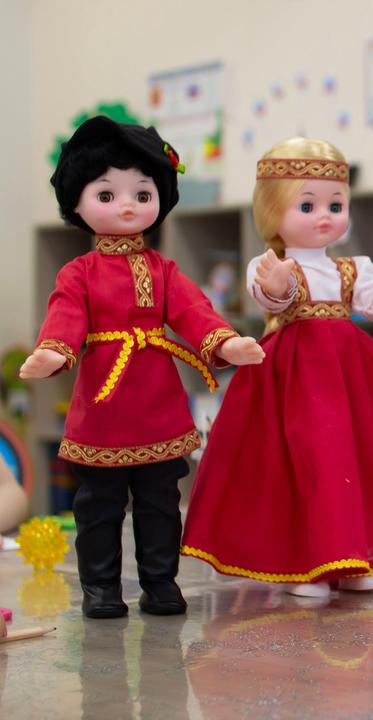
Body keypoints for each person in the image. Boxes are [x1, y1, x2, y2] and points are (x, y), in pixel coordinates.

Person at [181, 137, 373, 599]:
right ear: (272, 209)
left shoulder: (352, 269)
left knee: (358, 458)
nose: (324, 215)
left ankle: (359, 558)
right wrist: (278, 286)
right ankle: (305, 564)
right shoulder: (269, 264)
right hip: (294, 376)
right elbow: (269, 297)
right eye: (307, 205)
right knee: (303, 460)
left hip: (348, 375)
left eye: (335, 205)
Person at [19, 116, 265, 618]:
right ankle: (101, 588)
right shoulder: (78, 272)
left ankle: (160, 582)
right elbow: (66, 314)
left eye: (142, 193)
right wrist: (56, 351)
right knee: (98, 505)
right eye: (107, 195)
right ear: (77, 202)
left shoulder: (164, 269)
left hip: (158, 406)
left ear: (160, 199)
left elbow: (193, 310)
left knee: (160, 503)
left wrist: (224, 342)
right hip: (102, 408)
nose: (127, 205)